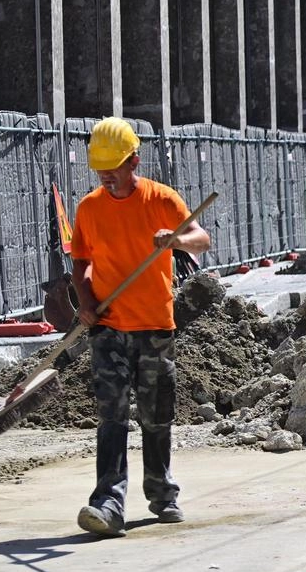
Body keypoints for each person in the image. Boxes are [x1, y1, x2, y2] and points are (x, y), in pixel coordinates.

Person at [70, 117, 211, 538]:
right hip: (108, 328)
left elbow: (201, 238)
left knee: (156, 415)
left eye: (113, 166)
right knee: (112, 416)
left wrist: (177, 241)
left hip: (154, 327)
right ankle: (108, 503)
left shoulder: (162, 200)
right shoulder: (90, 208)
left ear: (135, 160)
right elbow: (79, 262)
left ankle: (162, 494)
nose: (107, 175)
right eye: (101, 169)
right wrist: (87, 303)